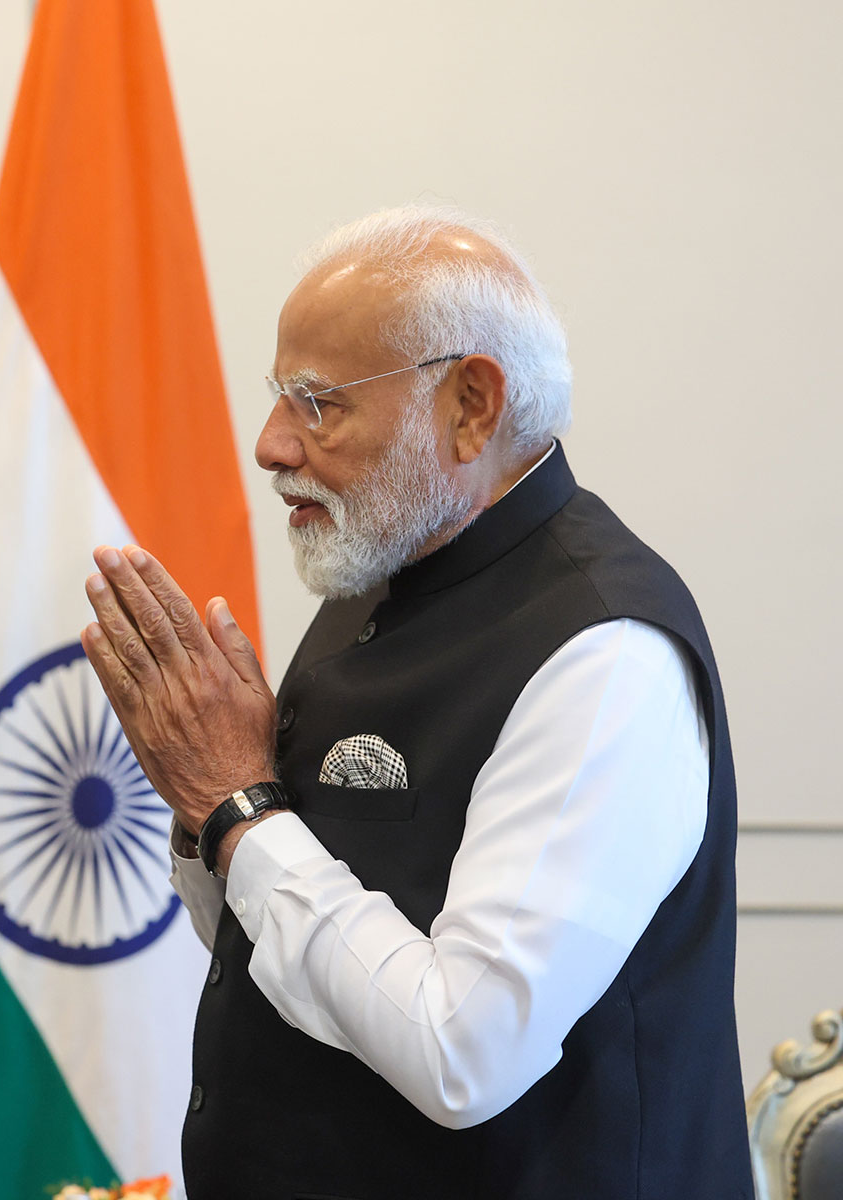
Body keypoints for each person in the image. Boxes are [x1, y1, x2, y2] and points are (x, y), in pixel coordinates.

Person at [80, 207, 752, 1197]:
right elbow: (276, 930)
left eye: (316, 404)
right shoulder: (374, 577)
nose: (269, 445)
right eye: (278, 398)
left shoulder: (604, 650)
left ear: (471, 405)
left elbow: (462, 1053)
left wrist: (238, 808)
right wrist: (210, 809)